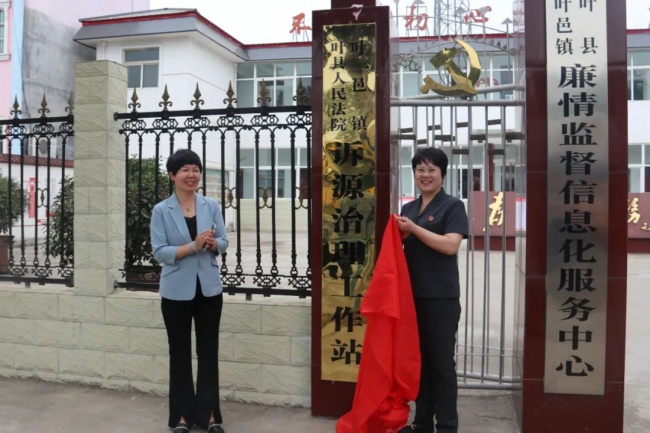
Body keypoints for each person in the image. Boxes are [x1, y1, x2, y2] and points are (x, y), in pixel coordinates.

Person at [150, 148, 229, 433]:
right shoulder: (161, 210)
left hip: (209, 291)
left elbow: (223, 241)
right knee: (179, 354)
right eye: (184, 169)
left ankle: (209, 416)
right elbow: (160, 252)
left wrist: (213, 244)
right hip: (176, 293)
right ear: (172, 175)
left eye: (195, 169)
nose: (191, 174)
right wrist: (192, 246)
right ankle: (181, 417)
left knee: (209, 353)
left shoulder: (211, 205)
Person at [395, 147, 468, 433]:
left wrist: (414, 229)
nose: (425, 175)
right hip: (413, 298)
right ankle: (422, 423)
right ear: (414, 173)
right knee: (421, 363)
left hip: (441, 298)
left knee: (441, 364)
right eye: (420, 169)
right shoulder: (408, 209)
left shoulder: (452, 206)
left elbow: (450, 245)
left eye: (432, 170)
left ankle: (447, 426)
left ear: (442, 174)